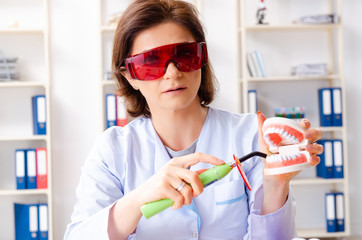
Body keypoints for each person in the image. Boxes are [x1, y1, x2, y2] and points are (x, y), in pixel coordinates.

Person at [64, 0, 323, 239]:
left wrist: (275, 183)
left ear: (202, 58)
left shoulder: (251, 137)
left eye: (185, 54)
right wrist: (140, 197)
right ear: (130, 76)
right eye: (152, 61)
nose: (173, 72)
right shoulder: (113, 150)